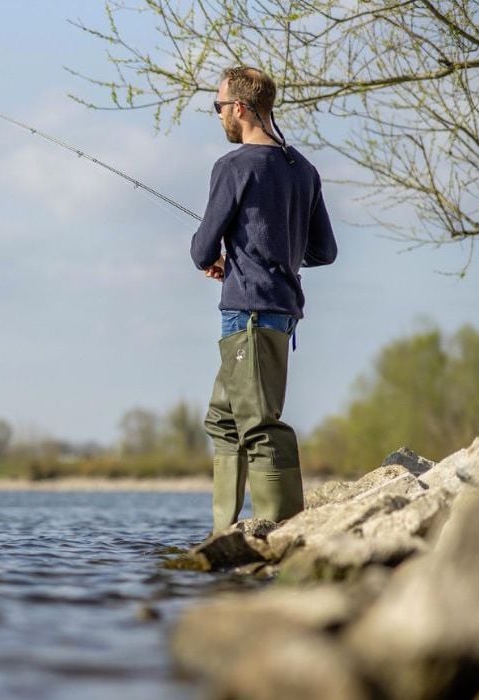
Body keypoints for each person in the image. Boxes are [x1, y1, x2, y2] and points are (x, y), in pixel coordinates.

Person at [190, 66, 337, 532]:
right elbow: (324, 251)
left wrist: (220, 258)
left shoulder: (233, 167)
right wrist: (268, 257)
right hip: (278, 310)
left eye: (218, 107)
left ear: (240, 108)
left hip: (247, 313)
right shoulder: (304, 170)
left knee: (257, 423)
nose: (218, 116)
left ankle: (282, 529)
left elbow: (200, 249)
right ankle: (223, 532)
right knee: (224, 419)